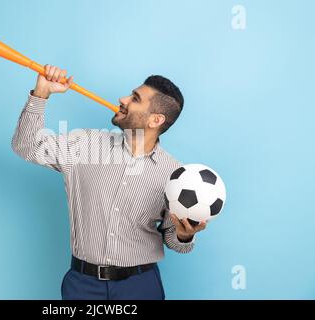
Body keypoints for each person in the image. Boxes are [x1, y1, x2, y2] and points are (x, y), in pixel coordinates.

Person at [11, 65, 207, 300]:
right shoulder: (85, 145)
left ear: (156, 119)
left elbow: (175, 241)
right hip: (82, 286)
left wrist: (185, 235)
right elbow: (26, 146)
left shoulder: (174, 175)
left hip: (140, 287)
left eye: (135, 99)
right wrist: (41, 93)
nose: (122, 99)